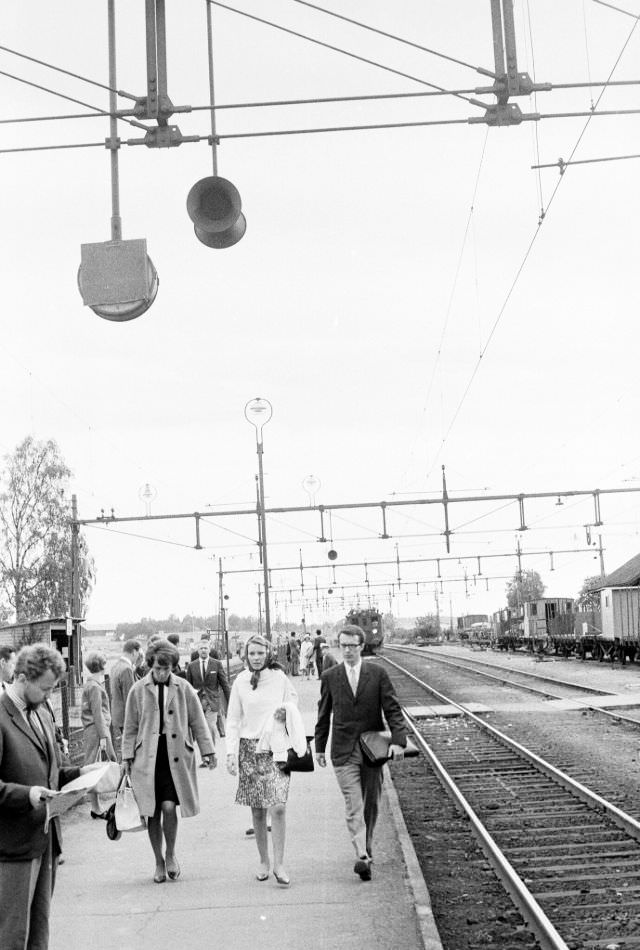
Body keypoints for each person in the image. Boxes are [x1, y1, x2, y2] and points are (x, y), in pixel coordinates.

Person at [0, 644, 102, 950]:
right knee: (12, 936)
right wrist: (27, 795)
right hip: (14, 846)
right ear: (21, 678)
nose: (49, 696)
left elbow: (51, 772)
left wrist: (86, 772)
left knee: (39, 932)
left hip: (45, 840)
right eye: (45, 689)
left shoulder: (41, 713)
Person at [314, 624, 407, 882]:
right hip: (343, 752)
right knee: (353, 804)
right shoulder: (331, 676)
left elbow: (393, 709)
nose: (347, 651)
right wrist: (319, 747)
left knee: (371, 804)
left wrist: (398, 741)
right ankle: (362, 855)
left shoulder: (377, 674)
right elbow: (324, 714)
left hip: (372, 750)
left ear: (361, 647)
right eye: (343, 645)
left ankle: (367, 845)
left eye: (352, 646)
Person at [122, 639, 215, 884]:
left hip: (175, 756)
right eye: (157, 669)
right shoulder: (138, 690)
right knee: (151, 812)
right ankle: (158, 861)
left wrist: (208, 751)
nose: (162, 673)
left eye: (167, 669)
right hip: (147, 758)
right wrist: (126, 756)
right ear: (150, 666)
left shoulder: (183, 688)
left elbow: (197, 721)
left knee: (168, 807)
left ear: (173, 667)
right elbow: (129, 727)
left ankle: (171, 853)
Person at [226, 634, 304, 887]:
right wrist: (230, 753)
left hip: (276, 747)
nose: (256, 658)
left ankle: (280, 864)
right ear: (245, 656)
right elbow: (233, 719)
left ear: (268, 653)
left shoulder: (279, 677)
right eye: (252, 654)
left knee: (278, 806)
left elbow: (293, 700)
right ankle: (263, 860)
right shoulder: (240, 681)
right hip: (249, 749)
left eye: (260, 653)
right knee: (258, 810)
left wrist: (286, 710)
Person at [186, 641, 230, 762]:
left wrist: (230, 701)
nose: (203, 650)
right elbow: (188, 687)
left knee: (210, 727)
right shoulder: (191, 666)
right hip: (197, 702)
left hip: (212, 702)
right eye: (201, 648)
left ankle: (210, 755)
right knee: (200, 729)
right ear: (198, 651)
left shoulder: (216, 664)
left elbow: (225, 684)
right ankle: (204, 757)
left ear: (209, 650)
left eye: (205, 648)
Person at [81, 652, 117, 766]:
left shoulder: (90, 684)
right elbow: (97, 713)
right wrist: (103, 736)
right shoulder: (95, 687)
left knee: (93, 761)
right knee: (98, 762)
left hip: (94, 729)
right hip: (98, 729)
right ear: (101, 666)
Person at [109, 638, 141, 754]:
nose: (138, 657)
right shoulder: (127, 669)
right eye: (138, 653)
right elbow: (130, 696)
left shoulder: (116, 666)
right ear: (134, 652)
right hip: (128, 717)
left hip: (119, 715)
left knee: (126, 745)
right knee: (132, 747)